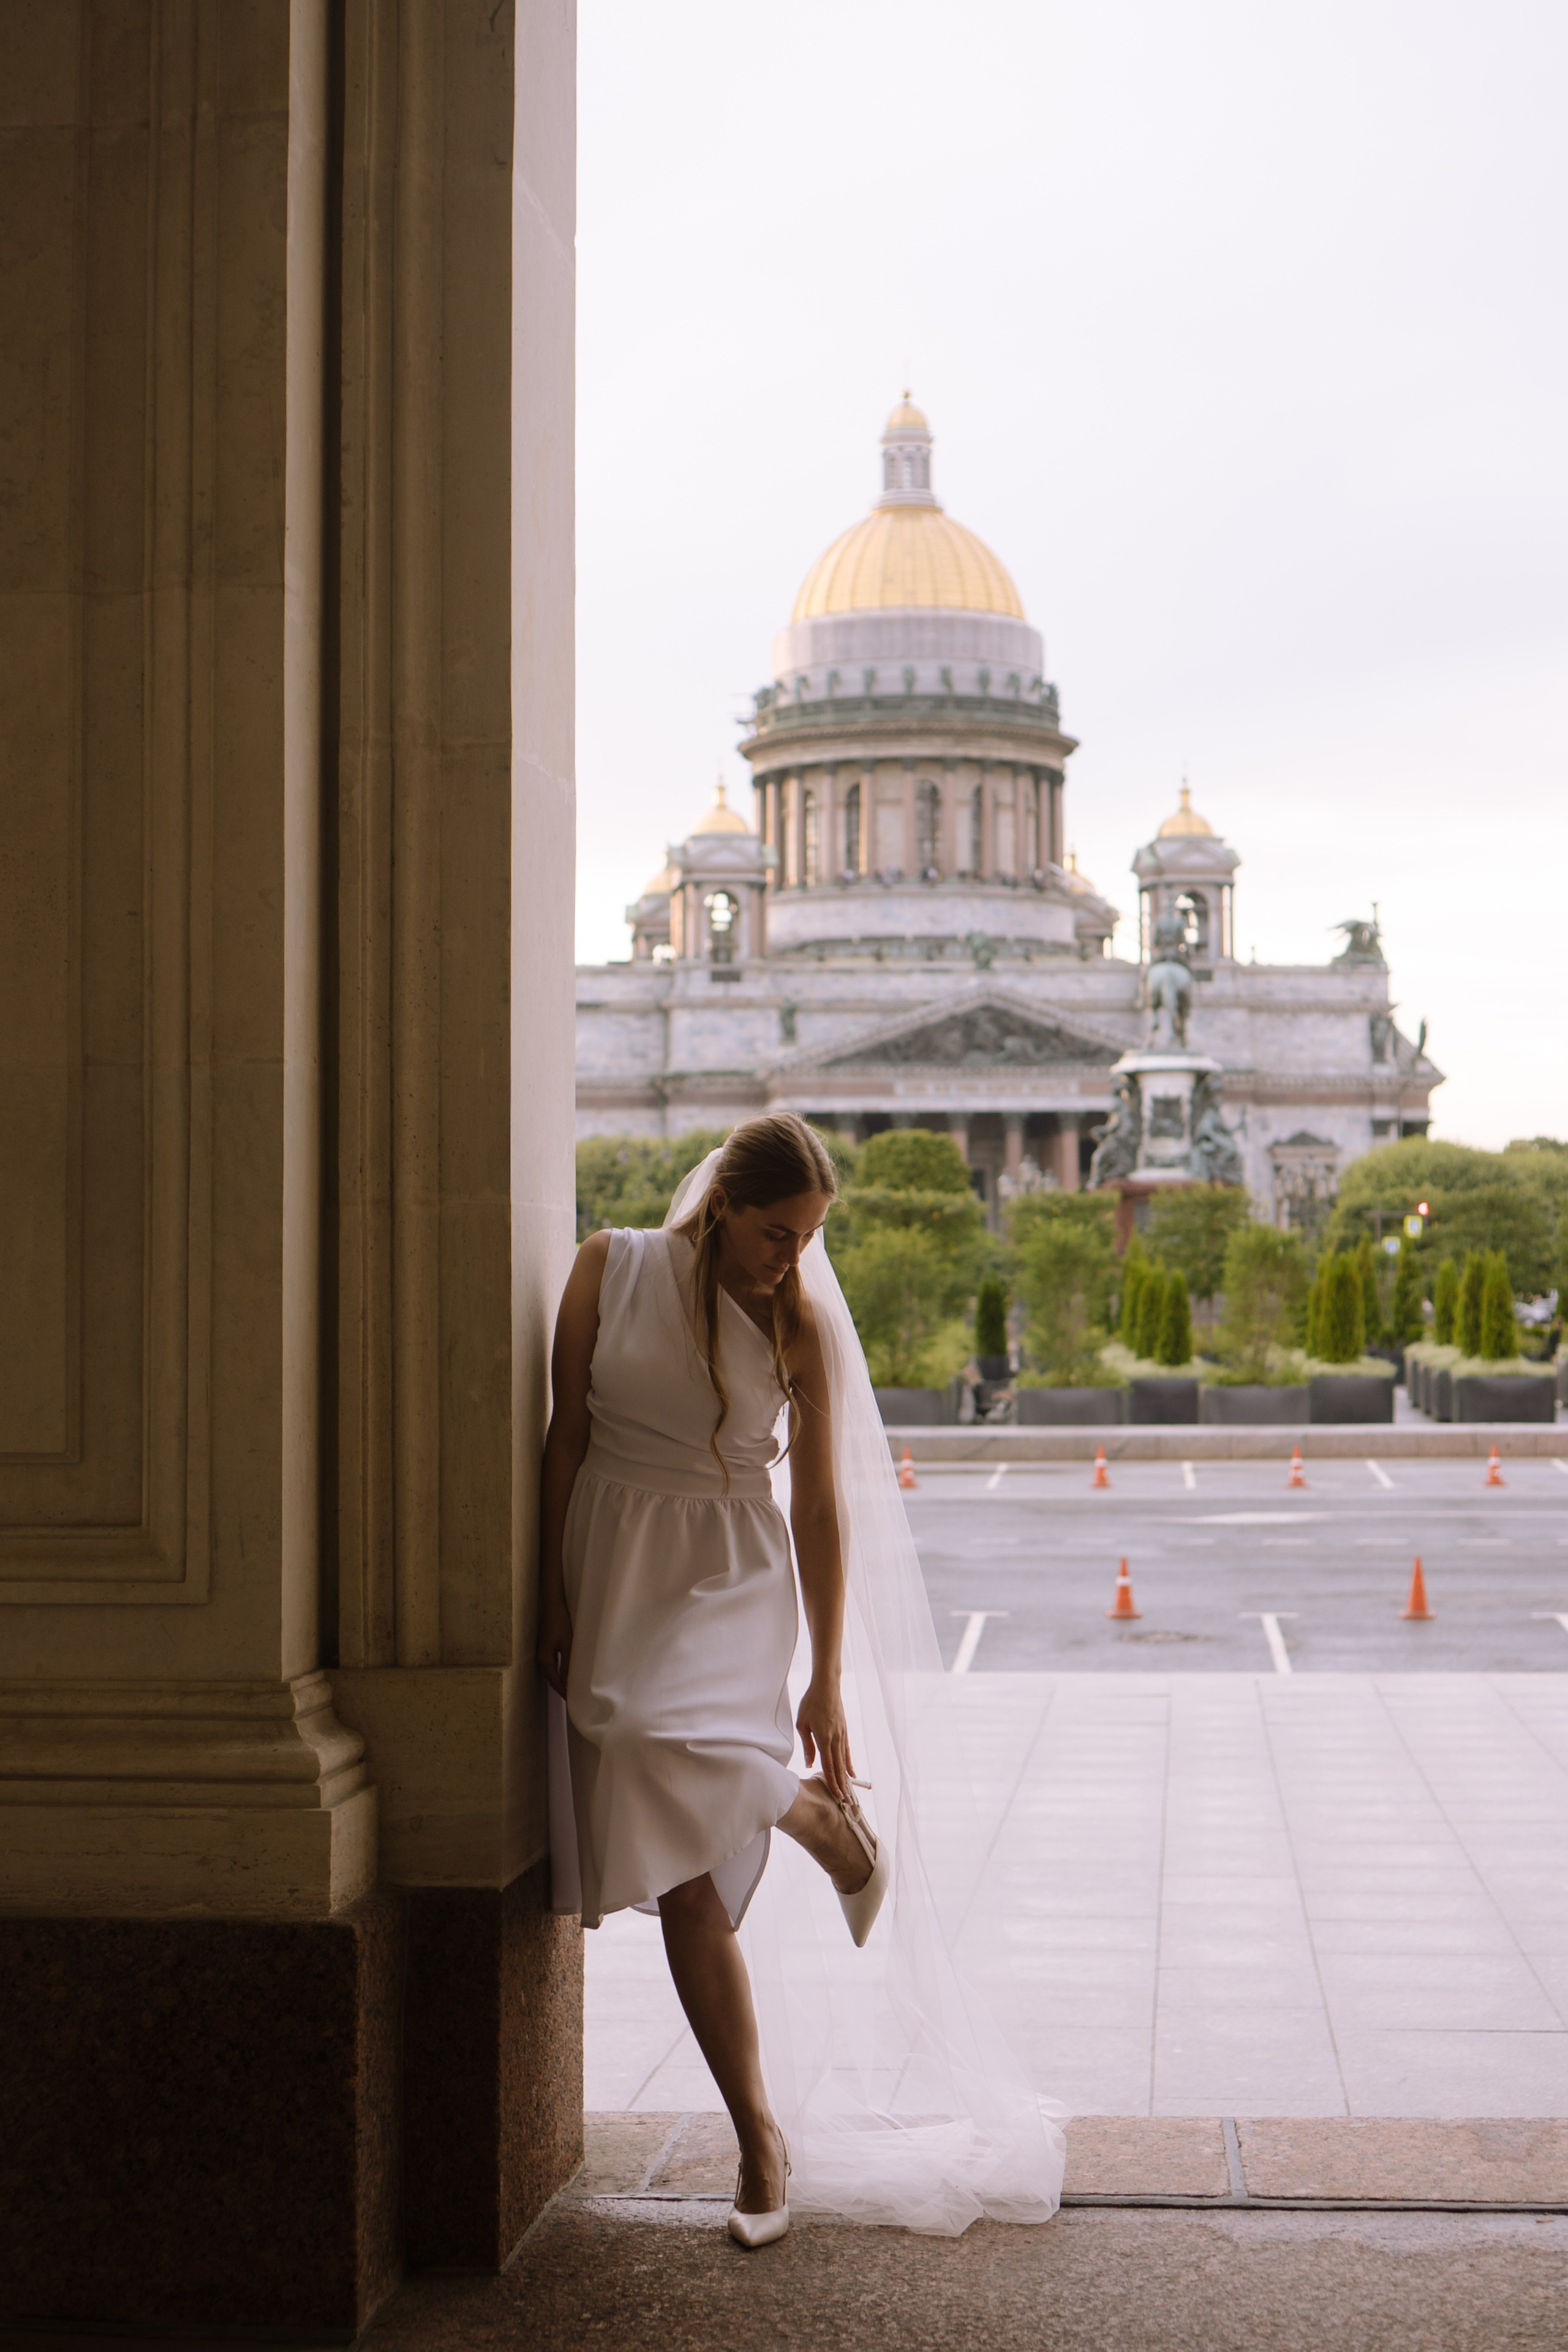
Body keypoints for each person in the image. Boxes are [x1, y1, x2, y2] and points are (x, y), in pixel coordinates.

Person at [540, 1113, 1063, 2248]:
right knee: (680, 1872)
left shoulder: (801, 1328)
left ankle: (809, 1811)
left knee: (647, 1747)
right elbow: (564, 1441)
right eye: (780, 1233)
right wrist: (550, 1593)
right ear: (723, 1202)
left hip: (731, 1572)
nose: (794, 1257)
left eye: (811, 1235)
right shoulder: (607, 1265)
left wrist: (827, 1679)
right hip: (615, 1559)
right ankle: (761, 2136)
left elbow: (821, 1512)